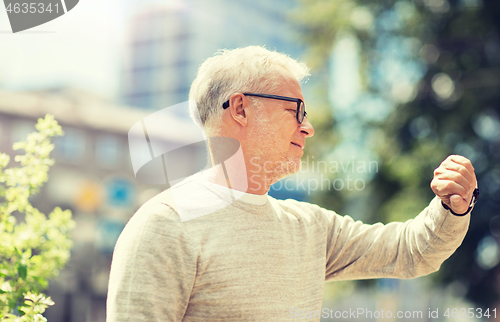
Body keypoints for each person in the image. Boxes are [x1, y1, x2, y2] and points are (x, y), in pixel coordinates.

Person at [106, 46, 478, 321]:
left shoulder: (311, 227)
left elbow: (411, 252)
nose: (308, 127)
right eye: (295, 109)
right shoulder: (164, 225)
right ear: (239, 109)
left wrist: (453, 205)